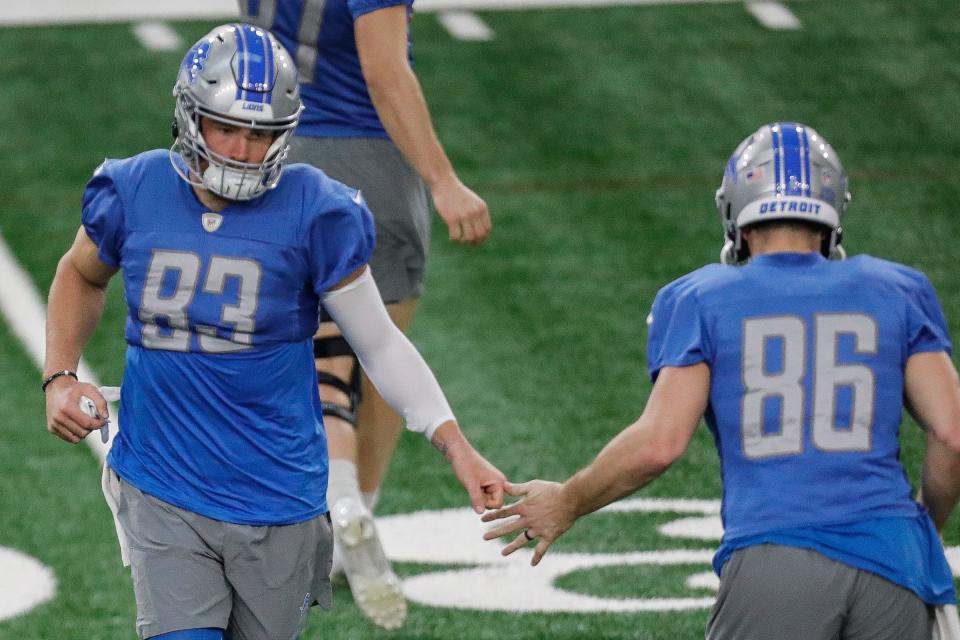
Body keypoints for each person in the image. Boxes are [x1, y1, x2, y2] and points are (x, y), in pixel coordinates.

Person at [42, 23, 504, 640]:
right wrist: (60, 374)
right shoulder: (133, 189)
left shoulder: (318, 208)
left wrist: (456, 445)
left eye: (259, 135)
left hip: (277, 493)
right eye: (226, 127)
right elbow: (80, 273)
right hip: (162, 482)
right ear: (189, 116)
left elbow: (380, 343)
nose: (239, 149)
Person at [483, 122, 960, 639]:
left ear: (737, 211)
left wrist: (567, 501)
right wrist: (923, 527)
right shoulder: (898, 288)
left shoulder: (701, 297)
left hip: (777, 557)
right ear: (831, 213)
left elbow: (659, 445)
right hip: (898, 564)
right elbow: (953, 433)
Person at [236, 0, 492, 628]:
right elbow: (384, 70)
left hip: (276, 152)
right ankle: (357, 509)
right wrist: (442, 179)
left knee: (314, 359)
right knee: (378, 357)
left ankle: (331, 502)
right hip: (367, 159)